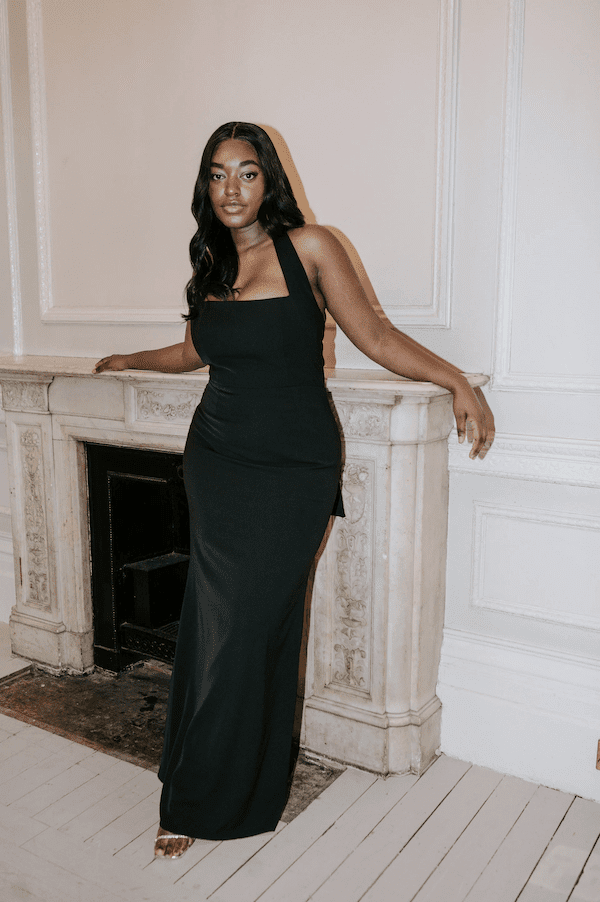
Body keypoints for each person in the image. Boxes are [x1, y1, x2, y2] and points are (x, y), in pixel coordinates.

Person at [94, 121, 495, 859]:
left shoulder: (311, 248)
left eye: (247, 173)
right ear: (205, 186)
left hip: (294, 469)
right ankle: (195, 789)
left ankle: (231, 784)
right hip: (217, 461)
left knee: (251, 626)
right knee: (215, 624)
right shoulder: (210, 264)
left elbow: (376, 336)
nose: (232, 188)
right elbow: (192, 352)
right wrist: (129, 358)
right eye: (218, 174)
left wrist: (456, 380)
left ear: (268, 180)